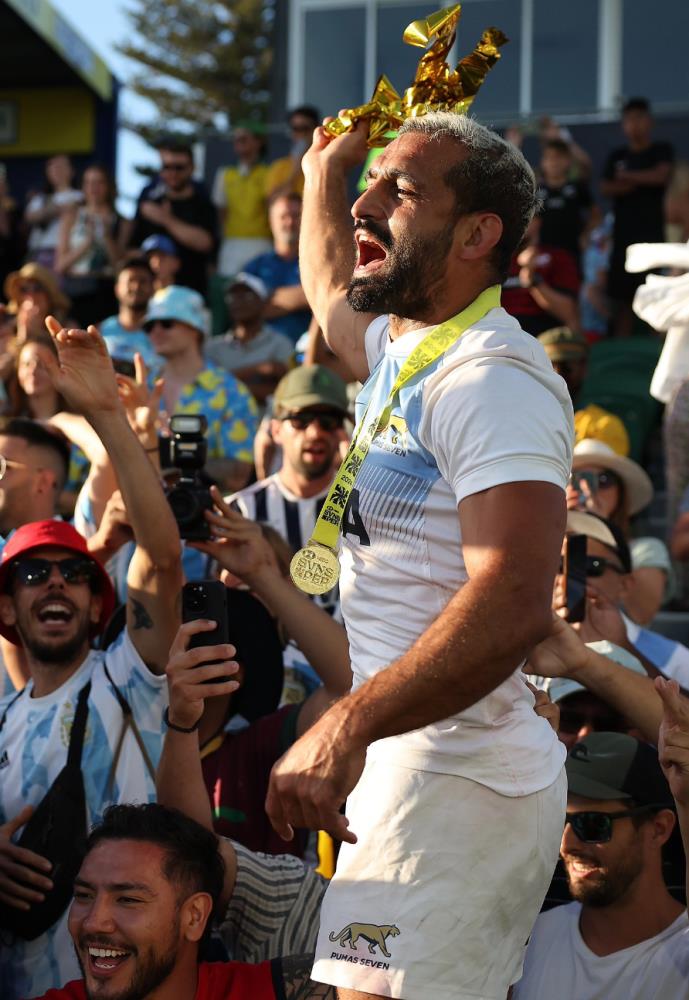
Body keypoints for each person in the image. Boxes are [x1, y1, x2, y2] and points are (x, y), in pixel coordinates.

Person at [265, 110, 574, 1000]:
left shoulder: (490, 379)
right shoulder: (407, 345)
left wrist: (345, 725)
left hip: (460, 779)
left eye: (398, 191)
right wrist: (323, 177)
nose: (366, 206)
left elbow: (513, 600)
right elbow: (332, 304)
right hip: (411, 762)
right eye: (370, 187)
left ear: (476, 235)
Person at [0, 318, 182, 999]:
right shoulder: (2, 722)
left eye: (73, 573)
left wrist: (109, 418)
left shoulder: (128, 679)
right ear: (7, 611)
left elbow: (161, 557)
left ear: (98, 601)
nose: (54, 583)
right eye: (32, 574)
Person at [33, 803, 335, 1000]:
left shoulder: (277, 990)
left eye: (127, 899)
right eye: (84, 896)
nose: (93, 922)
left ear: (194, 916)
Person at [512, 732, 689, 999]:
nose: (566, 845)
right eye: (559, 820)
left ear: (658, 829)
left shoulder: (683, 957)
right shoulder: (533, 936)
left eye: (592, 824)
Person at [143, 284, 258, 492]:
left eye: (167, 323)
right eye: (149, 326)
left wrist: (170, 461)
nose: (156, 332)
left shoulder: (230, 392)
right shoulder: (141, 388)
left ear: (195, 328)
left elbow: (238, 474)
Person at [562, 510, 689, 686]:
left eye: (591, 565)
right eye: (557, 564)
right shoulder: (524, 646)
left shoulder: (674, 659)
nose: (565, 577)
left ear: (625, 584)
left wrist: (625, 650)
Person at [568, 439, 672, 624]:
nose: (589, 489)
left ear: (620, 493)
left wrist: (599, 530)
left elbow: (640, 614)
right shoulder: (544, 545)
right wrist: (558, 523)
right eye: (576, 479)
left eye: (603, 480)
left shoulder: (646, 550)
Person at [601, 98, 675, 338]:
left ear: (649, 121)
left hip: (653, 237)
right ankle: (621, 350)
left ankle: (658, 349)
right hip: (623, 239)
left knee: (656, 296)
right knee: (623, 301)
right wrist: (640, 180)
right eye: (629, 119)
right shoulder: (617, 155)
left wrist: (628, 177)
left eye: (639, 118)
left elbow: (661, 176)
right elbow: (606, 187)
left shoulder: (660, 150)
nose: (634, 124)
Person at [128, 140, 217, 295]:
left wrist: (166, 219)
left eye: (179, 167)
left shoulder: (202, 201)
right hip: (152, 295)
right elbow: (131, 250)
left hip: (191, 293)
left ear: (192, 168)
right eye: (167, 167)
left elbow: (205, 243)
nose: (173, 173)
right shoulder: (149, 201)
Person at [537, 326, 630, 455]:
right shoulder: (521, 420)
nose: (558, 375)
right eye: (550, 366)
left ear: (584, 369)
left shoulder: (604, 426)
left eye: (567, 367)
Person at [205, 272, 293, 405]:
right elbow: (208, 386)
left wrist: (227, 384)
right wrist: (258, 369)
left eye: (247, 295)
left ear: (263, 303)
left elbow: (287, 392)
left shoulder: (281, 343)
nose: (238, 301)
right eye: (232, 296)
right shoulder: (212, 347)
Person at [55, 164, 123, 326]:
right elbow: (60, 265)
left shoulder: (122, 221)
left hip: (107, 292)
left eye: (99, 182)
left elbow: (120, 266)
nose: (94, 188)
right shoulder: (71, 217)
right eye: (89, 182)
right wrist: (87, 243)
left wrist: (106, 237)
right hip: (76, 290)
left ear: (108, 186)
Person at [244, 193, 311, 344]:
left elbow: (330, 300)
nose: (290, 222)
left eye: (296, 216)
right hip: (262, 348)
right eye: (283, 216)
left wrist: (270, 299)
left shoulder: (318, 263)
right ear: (271, 221)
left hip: (306, 349)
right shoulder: (255, 266)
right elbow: (246, 311)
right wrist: (307, 295)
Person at [502, 215, 580, 335]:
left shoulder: (558, 257)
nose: (516, 223)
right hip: (501, 331)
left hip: (544, 334)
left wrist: (532, 279)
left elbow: (569, 315)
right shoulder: (495, 259)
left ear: (537, 221)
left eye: (524, 215)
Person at [213, 125, 272, 277]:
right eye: (236, 140)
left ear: (258, 142)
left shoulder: (269, 173)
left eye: (244, 139)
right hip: (232, 243)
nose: (239, 143)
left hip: (261, 242)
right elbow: (221, 212)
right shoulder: (225, 174)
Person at [537, 138, 595, 269]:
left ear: (568, 161)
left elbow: (596, 215)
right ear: (543, 162)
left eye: (558, 157)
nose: (554, 162)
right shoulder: (537, 191)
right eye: (549, 157)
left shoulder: (577, 187)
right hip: (544, 252)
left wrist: (586, 235)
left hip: (572, 251)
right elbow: (533, 223)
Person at [24, 155, 83, 271]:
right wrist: (59, 209)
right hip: (38, 253)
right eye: (52, 167)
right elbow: (29, 217)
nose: (56, 171)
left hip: (66, 253)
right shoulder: (40, 198)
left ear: (72, 171)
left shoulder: (81, 196)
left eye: (60, 167)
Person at [98, 256, 158, 369]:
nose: (136, 287)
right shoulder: (99, 332)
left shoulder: (164, 332)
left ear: (153, 288)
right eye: (130, 281)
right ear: (117, 289)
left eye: (143, 281)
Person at [4, 261, 71, 342]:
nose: (31, 295)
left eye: (37, 288)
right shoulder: (8, 326)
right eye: (23, 289)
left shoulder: (66, 325)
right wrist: (22, 331)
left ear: (49, 295)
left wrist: (36, 333)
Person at [265, 105, 321, 201]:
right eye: (296, 129)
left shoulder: (323, 165)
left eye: (305, 129)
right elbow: (272, 202)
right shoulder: (279, 167)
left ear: (315, 131)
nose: (301, 134)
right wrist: (294, 173)